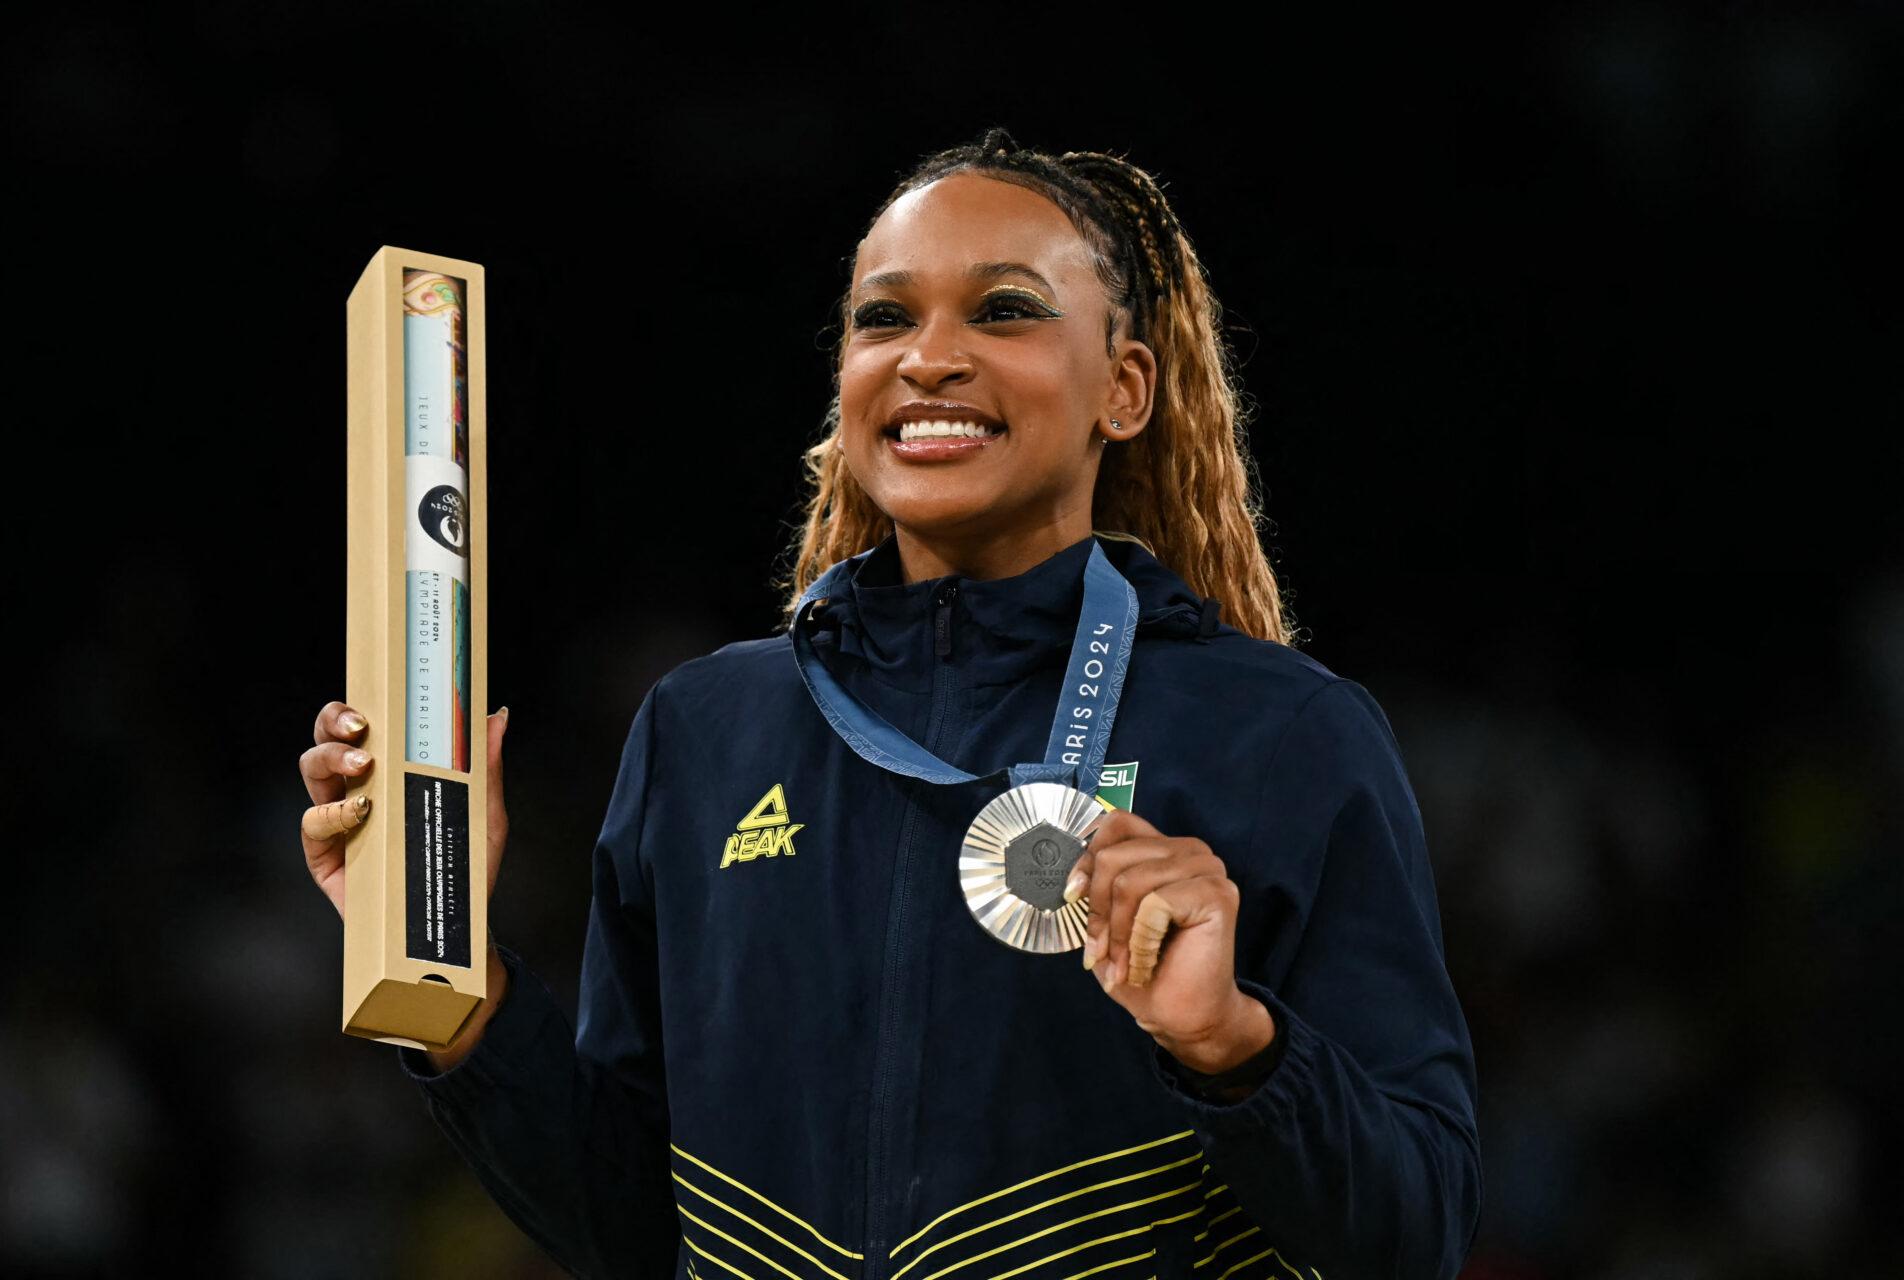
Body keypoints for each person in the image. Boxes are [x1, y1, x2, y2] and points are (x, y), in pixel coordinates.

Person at [299, 126, 1482, 1280]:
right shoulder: (707, 731)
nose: (929, 356)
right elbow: (630, 1225)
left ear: (1123, 389)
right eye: (885, 317)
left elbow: (1417, 1225)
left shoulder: (1278, 732)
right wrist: (445, 963)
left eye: (1005, 309)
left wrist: (1232, 1044)